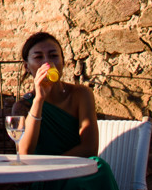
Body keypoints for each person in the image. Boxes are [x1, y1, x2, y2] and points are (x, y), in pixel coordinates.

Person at [10, 31, 118, 190]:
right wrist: (39, 99)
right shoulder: (23, 105)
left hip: (77, 169)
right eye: (39, 57)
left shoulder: (81, 94)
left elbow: (89, 148)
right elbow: (25, 152)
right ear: (27, 66)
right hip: (43, 176)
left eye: (53, 56)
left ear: (63, 62)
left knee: (100, 166)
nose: (47, 63)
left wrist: (57, 165)